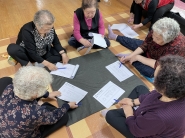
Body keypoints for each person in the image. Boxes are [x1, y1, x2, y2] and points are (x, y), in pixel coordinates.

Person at [101, 55, 185, 138]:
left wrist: (129, 113)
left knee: (110, 115)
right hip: (153, 121)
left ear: (163, 88)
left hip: (144, 131)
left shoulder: (159, 117)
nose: (153, 81)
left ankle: (128, 112)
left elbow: (136, 130)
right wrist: (132, 102)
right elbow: (153, 94)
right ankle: (132, 110)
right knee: (140, 88)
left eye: (155, 78)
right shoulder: (174, 90)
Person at [0, 66, 78, 138]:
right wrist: (67, 105)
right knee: (64, 117)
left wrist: (47, 94)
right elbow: (53, 118)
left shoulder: (9, 88)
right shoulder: (36, 112)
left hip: (4, 127)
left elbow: (27, 89)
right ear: (35, 94)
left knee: (6, 80)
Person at [108, 17, 185, 80]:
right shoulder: (157, 30)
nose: (154, 39)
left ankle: (134, 59)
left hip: (161, 63)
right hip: (152, 51)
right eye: (153, 35)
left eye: (157, 38)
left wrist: (138, 57)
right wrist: (131, 56)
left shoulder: (177, 46)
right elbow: (145, 44)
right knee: (137, 43)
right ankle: (114, 36)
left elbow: (160, 65)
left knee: (151, 72)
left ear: (167, 40)